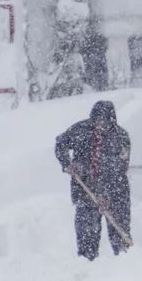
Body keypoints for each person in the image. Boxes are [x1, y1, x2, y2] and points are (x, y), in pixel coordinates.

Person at [55, 100, 132, 260]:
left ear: (112, 120)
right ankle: (87, 270)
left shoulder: (121, 138)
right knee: (86, 239)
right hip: (85, 192)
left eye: (104, 121)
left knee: (121, 239)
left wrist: (106, 196)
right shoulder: (80, 131)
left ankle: (127, 270)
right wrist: (67, 164)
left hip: (116, 195)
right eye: (97, 120)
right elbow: (60, 143)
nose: (100, 125)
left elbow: (118, 170)